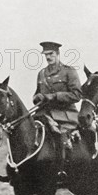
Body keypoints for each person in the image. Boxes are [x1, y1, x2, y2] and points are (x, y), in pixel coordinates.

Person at [32, 41, 82, 183]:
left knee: (60, 136)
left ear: (58, 54)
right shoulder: (41, 74)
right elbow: (37, 93)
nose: (48, 57)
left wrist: (54, 96)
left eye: (51, 54)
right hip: (45, 114)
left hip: (65, 115)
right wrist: (36, 98)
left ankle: (61, 171)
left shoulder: (69, 71)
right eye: (46, 55)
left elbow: (77, 95)